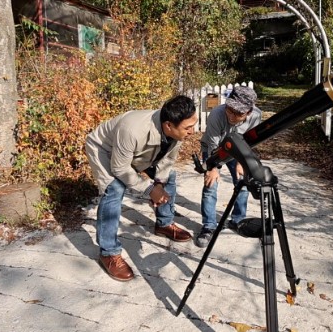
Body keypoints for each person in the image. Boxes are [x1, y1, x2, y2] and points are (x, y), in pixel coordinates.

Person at [85, 95, 197, 281]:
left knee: (169, 177)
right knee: (114, 188)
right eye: (188, 128)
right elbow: (120, 168)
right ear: (169, 125)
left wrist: (159, 184)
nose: (193, 131)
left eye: (194, 125)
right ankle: (108, 253)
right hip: (104, 150)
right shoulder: (132, 129)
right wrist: (149, 190)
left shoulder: (177, 130)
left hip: (138, 153)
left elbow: (167, 160)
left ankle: (164, 224)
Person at [195, 86, 262, 248]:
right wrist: (213, 168)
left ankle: (237, 220)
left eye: (238, 114)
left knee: (243, 183)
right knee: (210, 185)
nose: (232, 116)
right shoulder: (217, 115)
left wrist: (242, 162)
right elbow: (212, 144)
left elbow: (250, 141)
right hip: (215, 150)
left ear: (249, 112)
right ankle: (209, 226)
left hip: (238, 151)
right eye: (230, 110)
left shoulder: (256, 116)